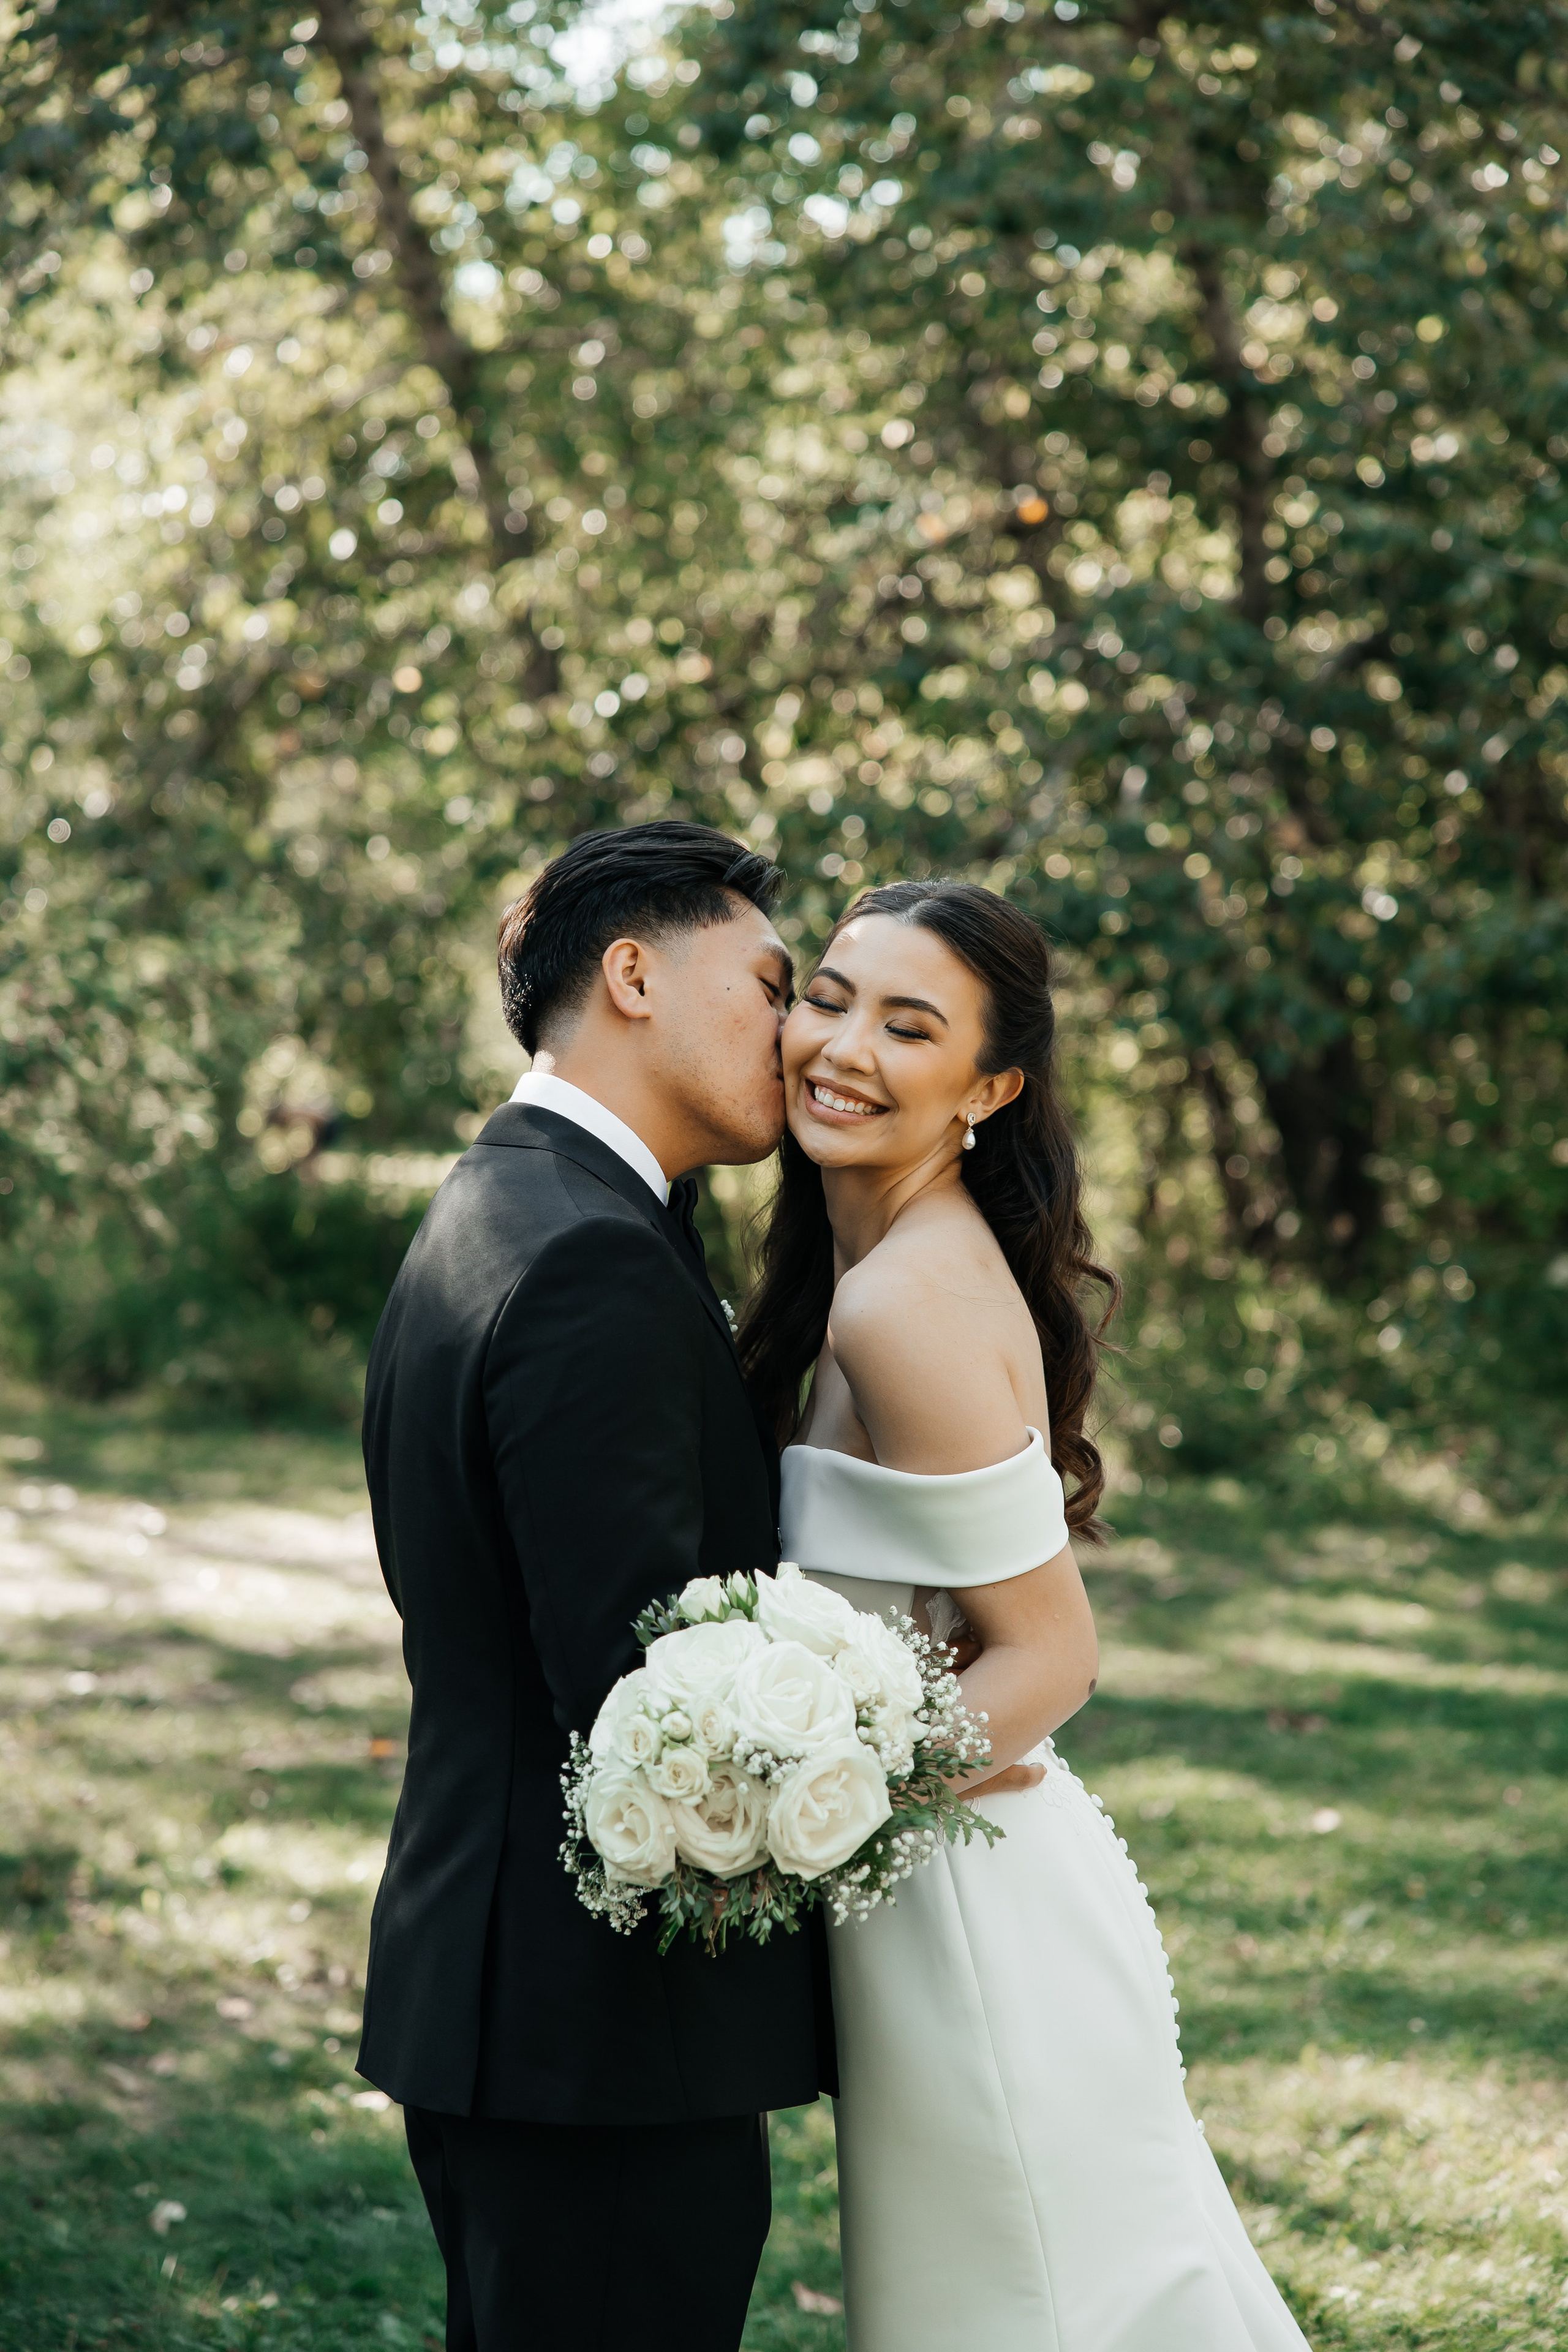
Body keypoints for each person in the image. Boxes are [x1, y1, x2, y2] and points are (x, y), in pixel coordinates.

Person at [742, 878, 1313, 2351]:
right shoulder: (867, 1271)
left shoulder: (900, 1304)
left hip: (972, 1927)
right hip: (940, 1897)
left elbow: (1050, 1653)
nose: (843, 1047)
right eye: (828, 997)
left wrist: (796, 1809)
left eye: (907, 1025)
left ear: (987, 1088)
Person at [355, 821, 832, 2352]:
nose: (796, 1027)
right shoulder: (588, 1259)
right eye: (769, 983)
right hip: (600, 2038)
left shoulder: (501, 1205)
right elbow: (644, 1698)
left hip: (505, 2008)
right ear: (631, 972)